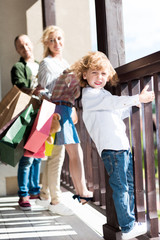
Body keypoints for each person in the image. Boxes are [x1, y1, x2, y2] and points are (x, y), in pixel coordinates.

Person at [71, 51, 155, 240]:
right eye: (94, 73)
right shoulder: (90, 95)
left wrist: (133, 106)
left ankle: (131, 221)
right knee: (121, 188)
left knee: (128, 185)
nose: (99, 77)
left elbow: (115, 112)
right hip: (112, 149)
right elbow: (110, 103)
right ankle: (126, 227)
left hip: (121, 147)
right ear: (85, 74)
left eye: (103, 73)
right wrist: (136, 98)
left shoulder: (102, 94)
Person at [36, 25, 93, 215]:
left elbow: (69, 91)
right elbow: (47, 87)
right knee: (57, 156)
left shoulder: (64, 62)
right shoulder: (46, 63)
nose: (56, 43)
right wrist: (66, 76)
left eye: (59, 39)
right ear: (46, 43)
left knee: (55, 155)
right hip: (54, 112)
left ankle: (45, 194)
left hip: (64, 110)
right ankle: (55, 201)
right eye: (52, 40)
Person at [11, 34, 41, 210]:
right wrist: (34, 90)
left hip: (41, 112)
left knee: (38, 154)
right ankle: (23, 194)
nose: (25, 48)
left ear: (32, 44)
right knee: (27, 155)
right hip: (27, 113)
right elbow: (19, 86)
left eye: (27, 44)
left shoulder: (40, 64)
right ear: (17, 50)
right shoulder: (17, 67)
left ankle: (35, 189)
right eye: (21, 46)